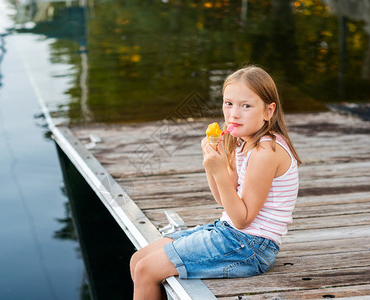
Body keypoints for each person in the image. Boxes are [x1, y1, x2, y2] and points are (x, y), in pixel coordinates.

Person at [129, 65, 301, 300]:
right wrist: (211, 164)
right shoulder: (242, 141)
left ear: (268, 111)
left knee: (146, 270)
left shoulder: (265, 152)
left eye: (246, 106)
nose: (234, 114)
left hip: (252, 246)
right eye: (228, 103)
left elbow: (242, 219)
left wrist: (219, 171)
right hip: (230, 232)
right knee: (138, 259)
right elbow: (224, 200)